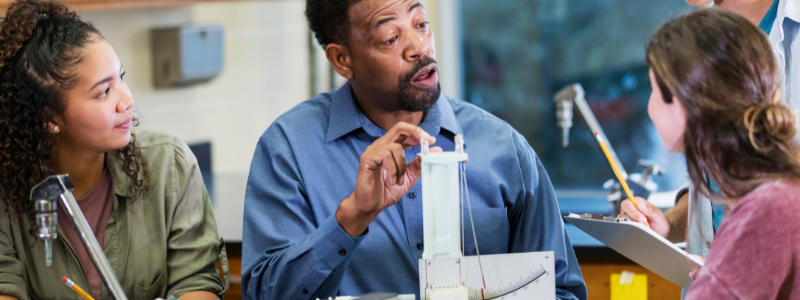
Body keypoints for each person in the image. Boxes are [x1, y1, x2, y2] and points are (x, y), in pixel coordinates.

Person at [240, 0, 587, 299]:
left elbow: (561, 290)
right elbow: (265, 294)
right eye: (391, 37)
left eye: (421, 23)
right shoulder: (287, 150)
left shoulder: (502, 147)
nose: (419, 46)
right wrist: (352, 217)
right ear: (342, 59)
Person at [0, 1, 228, 300]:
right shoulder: (7, 193)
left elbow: (197, 282)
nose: (127, 100)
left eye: (121, 77)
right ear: (50, 119)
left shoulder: (168, 164)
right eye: (103, 91)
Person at [619, 0, 799, 287]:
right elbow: (718, 192)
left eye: (654, 89)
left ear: (681, 106)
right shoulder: (702, 36)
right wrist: (671, 223)